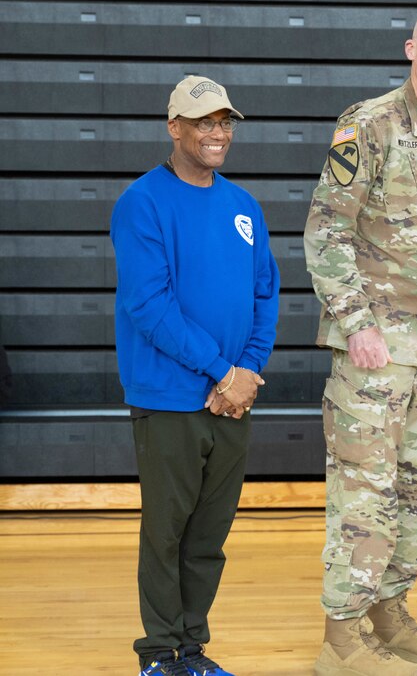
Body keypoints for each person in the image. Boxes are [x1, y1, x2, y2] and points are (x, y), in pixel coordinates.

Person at [303, 5, 417, 676]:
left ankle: (389, 612)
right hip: (372, 351)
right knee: (364, 491)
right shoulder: (370, 122)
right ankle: (341, 639)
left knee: (413, 489)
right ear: (412, 49)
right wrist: (357, 324)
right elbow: (325, 231)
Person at [111, 75, 280, 676]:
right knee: (166, 533)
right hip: (170, 396)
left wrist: (248, 372)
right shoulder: (142, 202)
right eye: (204, 121)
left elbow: (266, 292)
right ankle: (159, 654)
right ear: (174, 127)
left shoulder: (243, 206)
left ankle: (192, 649)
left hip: (233, 398)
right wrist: (220, 369)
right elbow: (149, 305)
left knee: (208, 536)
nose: (218, 132)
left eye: (225, 121)